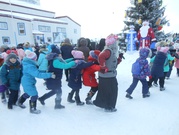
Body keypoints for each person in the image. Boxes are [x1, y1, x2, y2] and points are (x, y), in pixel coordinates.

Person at [38, 45, 77, 109]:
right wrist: (73, 62)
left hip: (56, 78)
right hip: (53, 79)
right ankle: (57, 105)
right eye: (60, 53)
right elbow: (65, 66)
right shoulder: (55, 61)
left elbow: (64, 62)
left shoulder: (57, 59)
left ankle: (42, 98)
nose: (61, 54)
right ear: (56, 54)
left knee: (55, 91)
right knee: (59, 91)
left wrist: (72, 59)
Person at [17, 50, 55, 114]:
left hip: (27, 81)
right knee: (34, 95)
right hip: (28, 82)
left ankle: (20, 102)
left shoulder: (28, 63)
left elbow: (36, 72)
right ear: (34, 59)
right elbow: (38, 74)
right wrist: (50, 75)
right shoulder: (30, 66)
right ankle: (32, 109)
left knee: (28, 93)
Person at [93, 34, 123, 112]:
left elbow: (112, 63)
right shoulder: (108, 51)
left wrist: (119, 59)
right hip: (108, 76)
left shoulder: (111, 51)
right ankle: (109, 106)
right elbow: (101, 56)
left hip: (107, 75)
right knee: (112, 91)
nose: (117, 43)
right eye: (116, 42)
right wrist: (103, 66)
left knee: (105, 91)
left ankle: (103, 104)